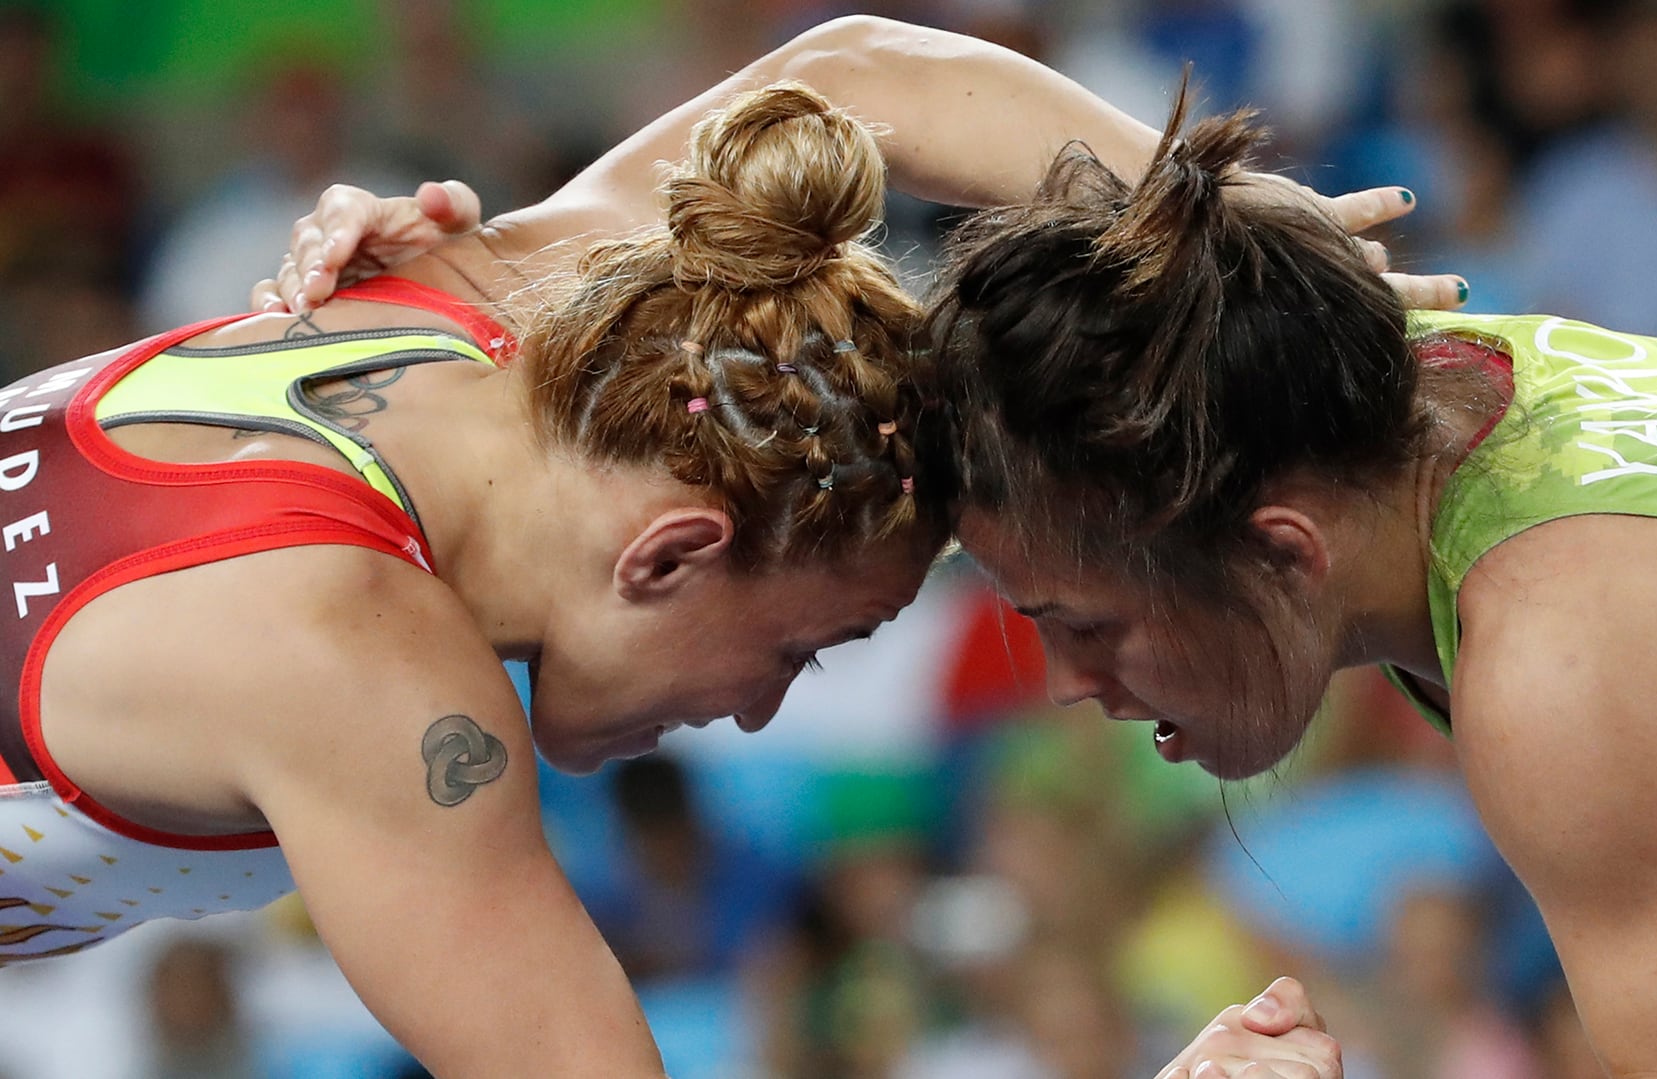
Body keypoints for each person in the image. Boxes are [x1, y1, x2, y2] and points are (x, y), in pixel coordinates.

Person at [290, 26, 1657, 1075]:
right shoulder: (1369, 381)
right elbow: (864, 77)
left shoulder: (1569, 657)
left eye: (1082, 621)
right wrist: (500, 267)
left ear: (1278, 552)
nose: (1064, 684)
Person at [17, 14, 1481, 1077]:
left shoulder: (506, 313)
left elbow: (857, 76)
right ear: (668, 554)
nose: (765, 710)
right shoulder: (352, 665)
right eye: (803, 645)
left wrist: (1231, 231)